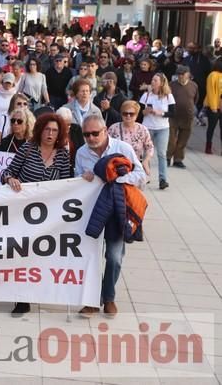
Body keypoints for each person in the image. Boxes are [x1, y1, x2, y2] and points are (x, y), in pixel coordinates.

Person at [75, 115, 147, 318]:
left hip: (117, 210)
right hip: (93, 211)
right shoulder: (81, 153)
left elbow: (141, 175)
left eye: (94, 133)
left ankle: (108, 297)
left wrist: (115, 178)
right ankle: (92, 300)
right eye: (86, 134)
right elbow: (76, 181)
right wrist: (83, 178)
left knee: (114, 258)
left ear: (105, 131)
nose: (90, 138)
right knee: (90, 258)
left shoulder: (122, 148)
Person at [0, 112, 71, 316]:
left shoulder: (63, 155)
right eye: (47, 129)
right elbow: (7, 172)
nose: (50, 133)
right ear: (40, 130)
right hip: (22, 213)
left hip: (48, 216)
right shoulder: (28, 148)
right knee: (22, 256)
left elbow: (66, 184)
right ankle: (22, 299)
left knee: (39, 256)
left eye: (55, 130)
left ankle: (36, 291)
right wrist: (10, 179)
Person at [140, 73, 175, 189]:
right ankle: (145, 176)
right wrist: (145, 112)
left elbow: (173, 113)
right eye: (152, 80)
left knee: (161, 153)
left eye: (155, 80)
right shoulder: (146, 95)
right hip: (147, 127)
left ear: (161, 83)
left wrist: (161, 113)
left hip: (162, 128)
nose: (153, 82)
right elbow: (139, 112)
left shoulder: (168, 96)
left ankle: (163, 179)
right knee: (146, 153)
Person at [107, 100, 154, 178]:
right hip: (117, 168)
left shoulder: (142, 129)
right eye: (125, 113)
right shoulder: (113, 128)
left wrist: (146, 161)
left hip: (136, 168)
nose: (128, 116)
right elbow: (106, 146)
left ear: (136, 115)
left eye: (131, 114)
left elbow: (150, 147)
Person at [167, 66, 198, 168]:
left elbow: (195, 99)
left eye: (182, 74)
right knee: (171, 139)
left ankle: (178, 159)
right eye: (179, 74)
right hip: (173, 117)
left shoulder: (193, 86)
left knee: (183, 139)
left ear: (188, 74)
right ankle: (167, 157)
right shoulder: (172, 85)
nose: (180, 76)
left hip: (187, 117)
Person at [203, 58, 222, 154]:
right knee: (211, 127)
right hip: (214, 107)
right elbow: (211, 92)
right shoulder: (212, 75)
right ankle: (208, 147)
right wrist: (214, 107)